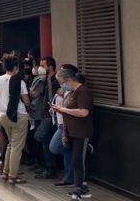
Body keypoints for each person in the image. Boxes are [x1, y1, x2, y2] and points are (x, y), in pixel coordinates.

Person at [52, 64, 94, 199]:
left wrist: (63, 110)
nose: (61, 86)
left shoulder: (83, 92)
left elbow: (83, 112)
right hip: (71, 130)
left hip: (81, 131)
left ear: (69, 80)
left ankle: (81, 188)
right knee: (75, 160)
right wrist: (59, 108)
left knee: (78, 160)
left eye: (61, 83)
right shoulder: (72, 93)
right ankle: (79, 186)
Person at [0, 56, 30, 185]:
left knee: (11, 144)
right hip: (18, 115)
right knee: (17, 147)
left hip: (4, 115)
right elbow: (26, 101)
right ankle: (13, 176)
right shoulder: (19, 82)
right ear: (16, 68)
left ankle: (5, 172)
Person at [49, 74, 74, 187]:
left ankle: (70, 177)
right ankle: (69, 177)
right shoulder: (63, 92)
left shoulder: (70, 93)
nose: (61, 84)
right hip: (59, 123)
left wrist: (59, 109)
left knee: (54, 147)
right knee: (66, 152)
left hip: (64, 125)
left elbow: (68, 110)